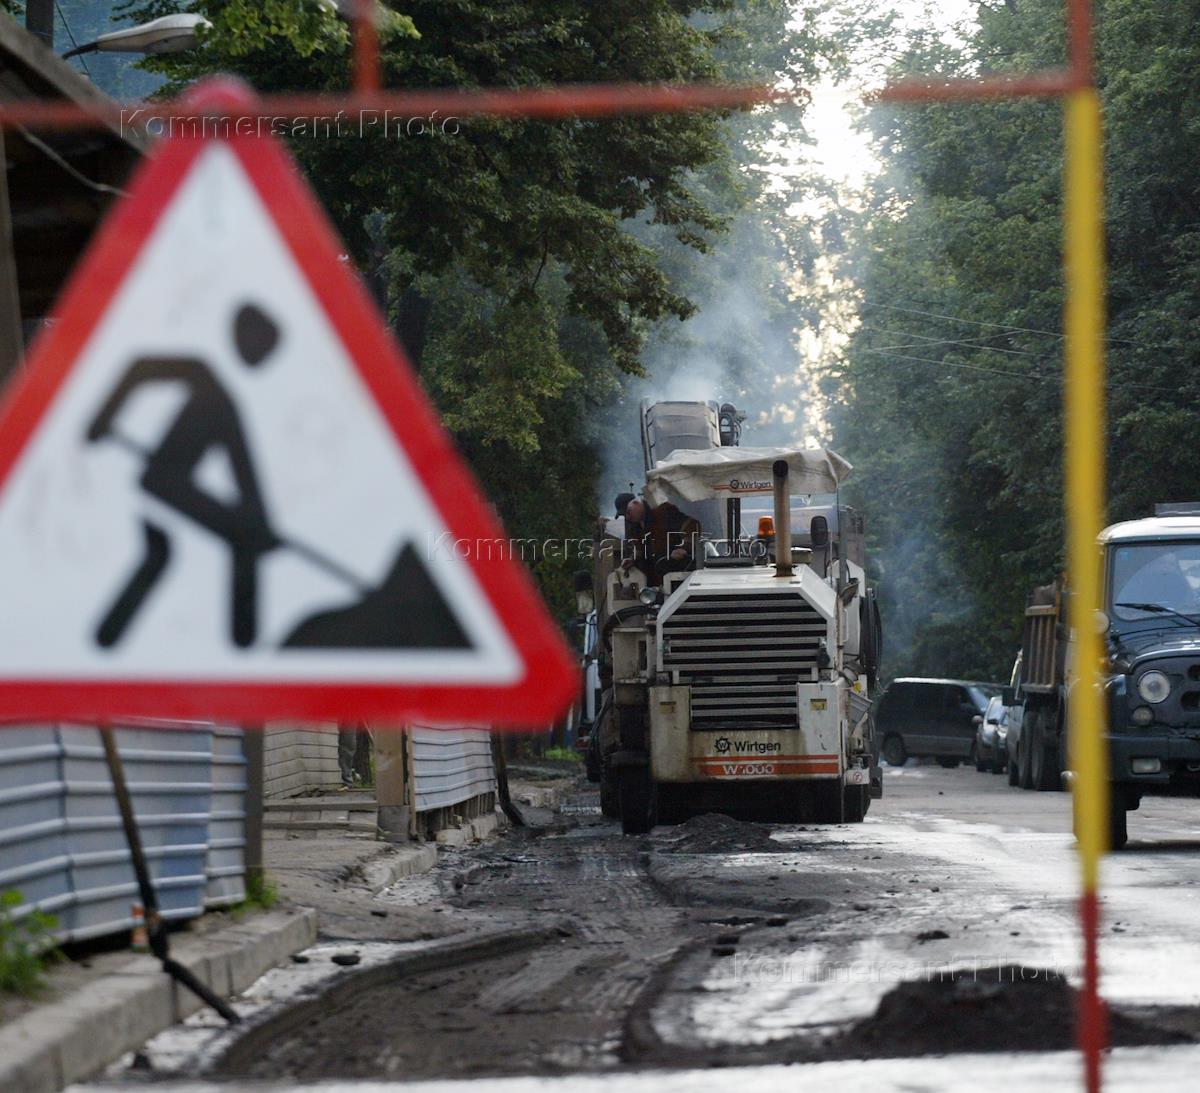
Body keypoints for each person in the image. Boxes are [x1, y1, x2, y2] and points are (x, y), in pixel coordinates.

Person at [623, 498, 700, 583]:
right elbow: (640, 550)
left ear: (636, 503)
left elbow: (692, 525)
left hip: (677, 571)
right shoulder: (635, 527)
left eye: (628, 512)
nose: (627, 517)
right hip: (655, 577)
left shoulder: (664, 512)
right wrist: (632, 559)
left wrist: (683, 548)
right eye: (624, 515)